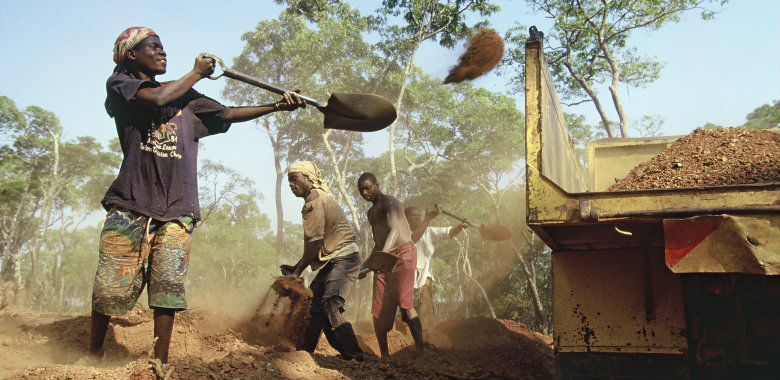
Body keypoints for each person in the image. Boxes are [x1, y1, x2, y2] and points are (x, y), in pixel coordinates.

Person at [87, 26, 306, 366]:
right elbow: (158, 99)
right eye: (153, 47)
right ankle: (94, 353)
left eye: (163, 47)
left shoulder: (188, 98)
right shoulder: (122, 85)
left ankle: (159, 362)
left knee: (167, 289)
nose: (162, 52)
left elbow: (228, 114)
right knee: (109, 287)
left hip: (178, 207)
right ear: (131, 55)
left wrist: (277, 106)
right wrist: (196, 74)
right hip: (130, 202)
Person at [283, 161, 364, 361]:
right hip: (333, 259)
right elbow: (313, 244)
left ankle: (355, 357)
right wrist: (296, 268)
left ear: (309, 178)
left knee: (330, 303)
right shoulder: (317, 199)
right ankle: (303, 353)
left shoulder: (314, 200)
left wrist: (296, 272)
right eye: (289, 181)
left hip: (344, 257)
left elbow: (314, 245)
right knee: (312, 305)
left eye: (295, 179)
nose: (291, 184)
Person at [356, 172, 425, 362]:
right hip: (383, 258)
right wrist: (366, 265)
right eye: (361, 190)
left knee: (405, 305)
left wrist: (382, 256)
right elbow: (379, 243)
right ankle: (385, 355)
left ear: (376, 185)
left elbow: (395, 230)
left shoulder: (390, 203)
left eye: (367, 187)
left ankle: (421, 353)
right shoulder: (370, 213)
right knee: (378, 310)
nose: (364, 192)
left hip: (403, 255)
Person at [405, 206, 468, 329]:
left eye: (419, 215)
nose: (418, 217)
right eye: (414, 215)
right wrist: (427, 219)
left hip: (424, 281)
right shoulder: (403, 234)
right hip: (406, 282)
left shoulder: (429, 232)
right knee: (407, 313)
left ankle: (428, 339)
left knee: (426, 313)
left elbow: (448, 232)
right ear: (406, 219)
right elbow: (412, 240)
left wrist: (459, 227)